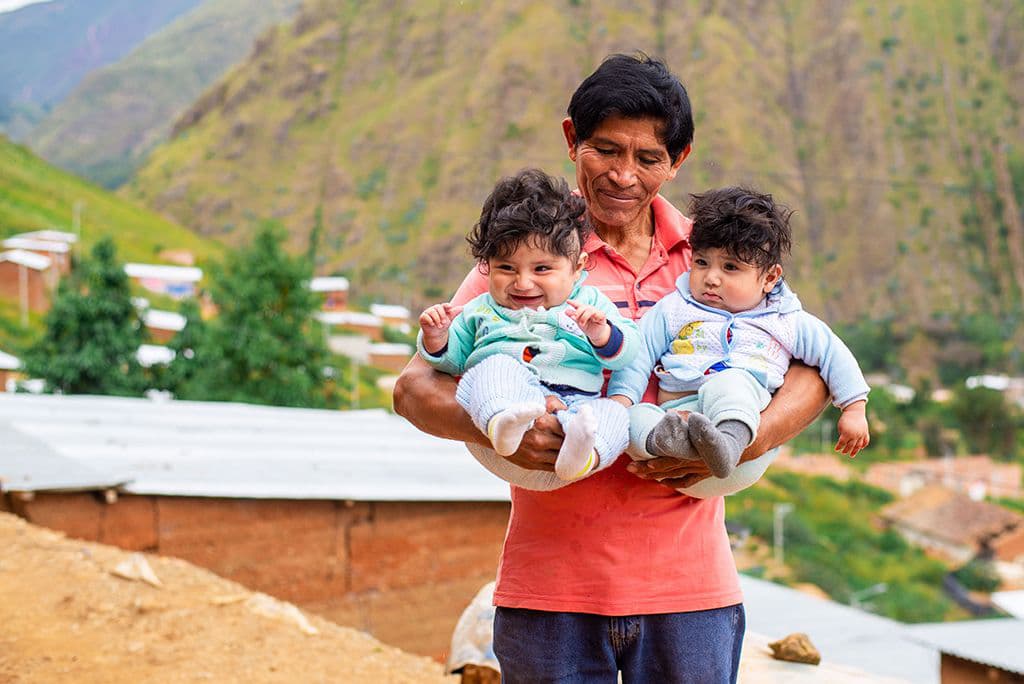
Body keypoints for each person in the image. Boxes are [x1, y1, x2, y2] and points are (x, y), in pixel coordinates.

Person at [395, 52, 829, 683]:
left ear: (678, 160)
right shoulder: (528, 259)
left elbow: (810, 372)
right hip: (551, 595)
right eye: (605, 150)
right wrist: (501, 427)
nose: (624, 176)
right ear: (572, 139)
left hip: (692, 593)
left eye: (648, 158)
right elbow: (414, 389)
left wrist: (739, 441)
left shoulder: (714, 258)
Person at [607, 186, 870, 498]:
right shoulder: (676, 308)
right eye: (702, 263)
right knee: (633, 419)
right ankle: (672, 440)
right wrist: (620, 403)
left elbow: (832, 355)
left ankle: (727, 442)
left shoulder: (784, 319)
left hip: (743, 440)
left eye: (730, 267)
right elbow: (638, 355)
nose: (711, 278)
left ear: (770, 278)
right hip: (677, 424)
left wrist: (854, 408)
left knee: (730, 381)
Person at [417, 168, 640, 487]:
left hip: (577, 402)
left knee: (615, 416)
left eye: (542, 269)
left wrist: (601, 334)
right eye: (506, 268)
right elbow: (453, 360)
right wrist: (437, 338)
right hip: (513, 397)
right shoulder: (481, 309)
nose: (522, 283)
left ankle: (584, 455)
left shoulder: (589, 305)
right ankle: (502, 425)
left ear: (576, 269)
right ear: (486, 267)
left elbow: (626, 352)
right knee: (491, 369)